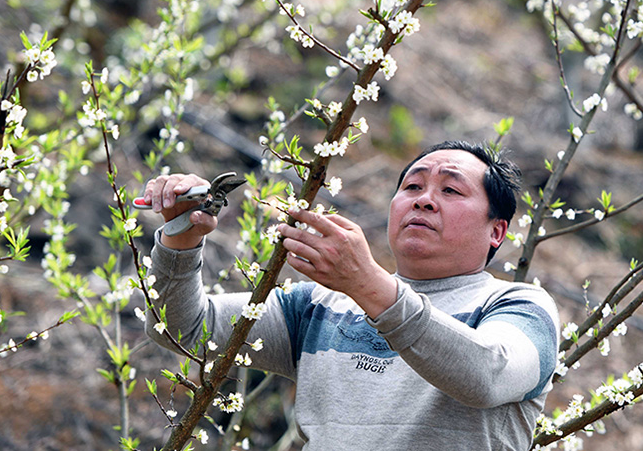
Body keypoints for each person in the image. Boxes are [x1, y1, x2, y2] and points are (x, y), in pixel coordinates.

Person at [143, 140, 559, 451]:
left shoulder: (520, 307)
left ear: (496, 231)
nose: (425, 200)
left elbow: (486, 375)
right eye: (412, 186)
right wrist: (180, 240)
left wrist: (366, 284)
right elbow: (184, 329)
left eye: (451, 191)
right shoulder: (316, 306)